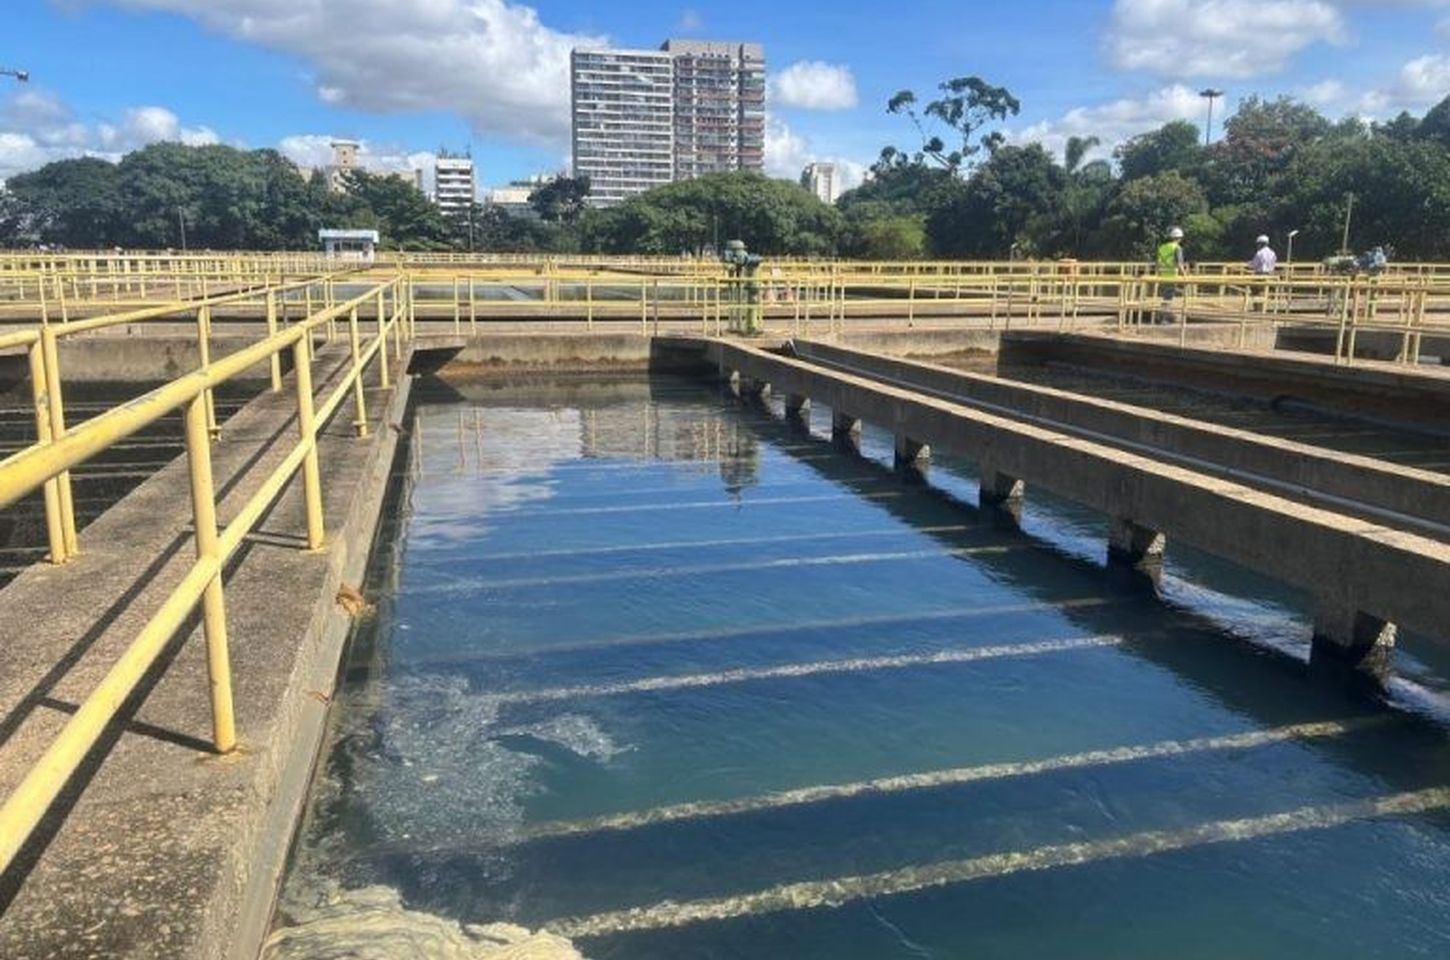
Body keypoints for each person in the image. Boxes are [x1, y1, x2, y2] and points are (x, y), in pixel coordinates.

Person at [1156, 226, 1186, 323]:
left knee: (1165, 297)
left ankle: (1163, 316)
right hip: (1172, 276)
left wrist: (1159, 275)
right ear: (1180, 238)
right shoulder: (1177, 248)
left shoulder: (1162, 247)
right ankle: (1163, 318)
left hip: (1162, 277)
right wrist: (1185, 276)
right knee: (1168, 298)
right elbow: (1179, 265)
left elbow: (1158, 264)